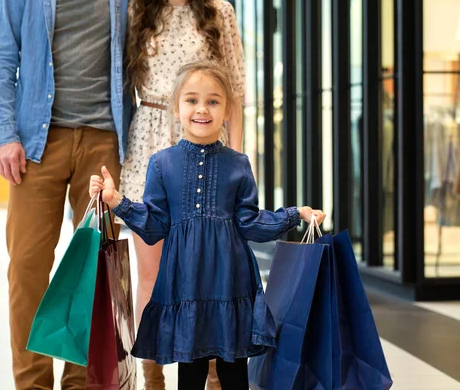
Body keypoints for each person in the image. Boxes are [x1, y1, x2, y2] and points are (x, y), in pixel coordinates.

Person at [89, 62, 326, 390]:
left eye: (213, 101)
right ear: (176, 107)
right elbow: (156, 224)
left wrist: (294, 214)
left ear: (227, 109)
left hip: (231, 283)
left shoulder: (238, 164)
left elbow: (250, 223)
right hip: (186, 285)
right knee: (190, 372)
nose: (202, 109)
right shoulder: (162, 163)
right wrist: (118, 202)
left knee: (233, 371)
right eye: (191, 100)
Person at [0, 0, 133, 389]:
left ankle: (80, 382)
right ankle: (33, 383)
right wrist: (4, 134)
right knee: (27, 266)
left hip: (103, 139)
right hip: (36, 142)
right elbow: (2, 57)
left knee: (94, 266)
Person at [120, 0, 246, 386]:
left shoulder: (219, 12)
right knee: (151, 276)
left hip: (209, 145)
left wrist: (238, 159)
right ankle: (153, 376)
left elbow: (237, 94)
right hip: (150, 141)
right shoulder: (136, 8)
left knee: (211, 272)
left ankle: (213, 371)